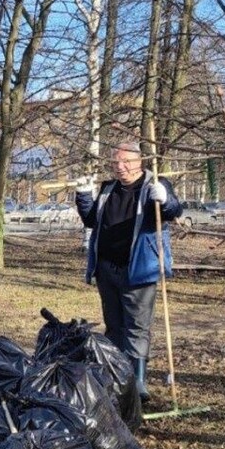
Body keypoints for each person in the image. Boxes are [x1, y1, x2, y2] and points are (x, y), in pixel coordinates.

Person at [75, 142, 182, 401]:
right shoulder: (108, 188)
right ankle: (115, 377)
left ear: (139, 162)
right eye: (116, 163)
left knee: (136, 327)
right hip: (107, 269)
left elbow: (174, 210)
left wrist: (165, 199)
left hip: (140, 269)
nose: (119, 167)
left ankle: (138, 382)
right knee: (114, 326)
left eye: (125, 162)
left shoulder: (155, 184)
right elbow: (92, 220)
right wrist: (83, 197)